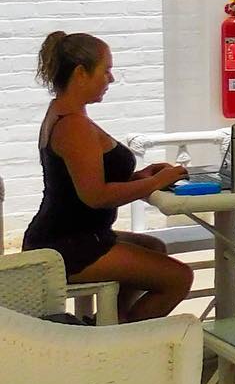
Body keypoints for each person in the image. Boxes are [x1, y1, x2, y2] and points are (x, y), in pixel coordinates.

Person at [23, 31, 194, 321]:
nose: (111, 79)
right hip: (66, 245)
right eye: (106, 70)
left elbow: (80, 180)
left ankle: (112, 326)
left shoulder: (65, 113)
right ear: (81, 73)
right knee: (178, 278)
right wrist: (153, 184)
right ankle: (124, 342)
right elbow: (96, 195)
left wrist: (141, 176)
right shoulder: (73, 126)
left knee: (154, 247)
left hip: (76, 234)